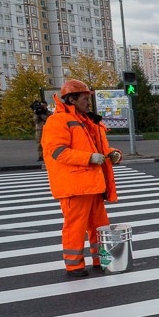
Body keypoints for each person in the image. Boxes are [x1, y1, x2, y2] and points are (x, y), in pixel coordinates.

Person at [41, 79, 122, 278]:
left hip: (92, 183)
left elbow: (97, 149)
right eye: (85, 98)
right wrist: (89, 158)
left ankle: (99, 258)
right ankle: (74, 266)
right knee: (75, 227)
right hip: (75, 185)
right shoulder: (58, 121)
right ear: (72, 99)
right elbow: (58, 152)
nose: (88, 102)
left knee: (99, 225)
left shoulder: (87, 121)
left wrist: (113, 153)